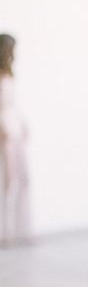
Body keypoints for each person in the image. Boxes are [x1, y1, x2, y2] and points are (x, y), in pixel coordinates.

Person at [0, 34, 31, 246]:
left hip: (15, 128)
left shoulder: (10, 73)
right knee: (6, 181)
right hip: (4, 131)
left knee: (23, 178)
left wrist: (22, 123)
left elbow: (12, 103)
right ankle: (5, 233)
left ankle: (21, 230)